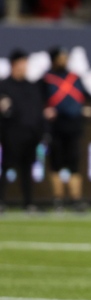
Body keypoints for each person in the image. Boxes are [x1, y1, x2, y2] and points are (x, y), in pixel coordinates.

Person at [43, 46, 91, 212]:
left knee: (74, 165)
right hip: (55, 128)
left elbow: (88, 98)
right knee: (56, 165)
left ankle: (76, 200)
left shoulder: (74, 78)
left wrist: (90, 109)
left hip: (74, 127)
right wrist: (44, 111)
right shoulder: (46, 80)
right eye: (61, 57)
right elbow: (38, 102)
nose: (64, 60)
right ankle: (58, 200)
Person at [0, 49, 46, 213]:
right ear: (14, 64)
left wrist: (40, 130)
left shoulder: (32, 86)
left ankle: (28, 203)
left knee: (27, 170)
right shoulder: (4, 86)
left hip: (30, 134)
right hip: (11, 133)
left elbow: (38, 110)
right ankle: (1, 201)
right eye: (21, 63)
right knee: (6, 167)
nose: (24, 67)